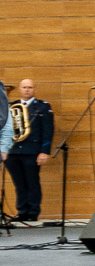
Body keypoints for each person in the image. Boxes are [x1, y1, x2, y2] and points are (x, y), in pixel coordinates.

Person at [6, 78, 54, 224]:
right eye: (24, 87)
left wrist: (44, 151)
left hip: (32, 151)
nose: (27, 90)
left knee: (32, 182)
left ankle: (33, 211)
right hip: (13, 151)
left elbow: (48, 131)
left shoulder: (43, 107)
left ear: (34, 89)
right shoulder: (12, 106)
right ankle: (22, 211)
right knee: (19, 183)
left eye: (30, 87)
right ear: (20, 89)